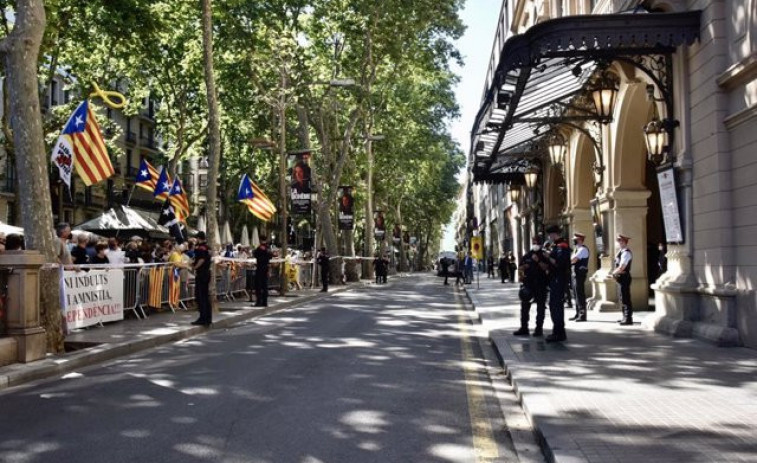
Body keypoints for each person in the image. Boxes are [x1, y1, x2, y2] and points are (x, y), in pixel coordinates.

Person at [513, 236, 549, 337]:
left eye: (537, 242)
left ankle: (539, 329)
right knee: (524, 307)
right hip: (528, 284)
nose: (535, 244)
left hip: (541, 284)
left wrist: (538, 261)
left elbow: (546, 267)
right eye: (533, 242)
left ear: (540, 244)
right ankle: (524, 327)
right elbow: (520, 268)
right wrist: (522, 271)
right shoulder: (527, 255)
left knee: (541, 307)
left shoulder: (544, 255)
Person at [545, 226, 571, 343]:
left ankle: (559, 333)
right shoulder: (556, 246)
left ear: (554, 234)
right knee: (554, 306)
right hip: (555, 279)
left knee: (556, 306)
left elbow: (559, 264)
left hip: (558, 279)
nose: (549, 237)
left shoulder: (562, 246)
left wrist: (548, 256)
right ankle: (557, 331)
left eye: (550, 235)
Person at [191, 231, 212, 326]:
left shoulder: (201, 248)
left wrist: (194, 267)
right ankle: (208, 318)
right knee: (205, 296)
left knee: (201, 296)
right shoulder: (207, 247)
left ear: (199, 238)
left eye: (196, 239)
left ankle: (203, 318)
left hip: (202, 274)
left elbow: (201, 260)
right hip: (206, 273)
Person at [613, 234, 634, 325]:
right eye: (618, 241)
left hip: (624, 277)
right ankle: (624, 316)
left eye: (620, 241)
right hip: (620, 277)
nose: (618, 243)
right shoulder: (621, 252)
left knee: (625, 298)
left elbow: (622, 267)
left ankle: (628, 318)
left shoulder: (626, 253)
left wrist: (614, 273)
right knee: (622, 297)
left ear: (624, 242)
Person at [570, 232, 590, 322]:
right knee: (575, 294)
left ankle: (582, 315)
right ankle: (578, 313)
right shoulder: (577, 249)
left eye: (575, 239)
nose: (574, 240)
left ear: (580, 240)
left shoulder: (582, 249)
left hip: (580, 274)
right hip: (575, 274)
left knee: (580, 294)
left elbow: (574, 260)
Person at [252, 235, 272, 306]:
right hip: (266, 268)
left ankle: (258, 302)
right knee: (265, 286)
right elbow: (270, 256)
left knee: (258, 286)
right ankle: (265, 302)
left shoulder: (259, 248)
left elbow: (254, 254)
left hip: (260, 268)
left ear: (260, 240)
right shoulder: (268, 248)